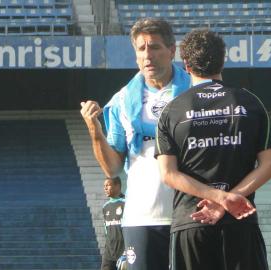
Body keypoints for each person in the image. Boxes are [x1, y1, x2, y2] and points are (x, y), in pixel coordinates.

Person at [155, 28, 271, 270]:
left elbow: (168, 174)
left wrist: (217, 198)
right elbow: (269, 165)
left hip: (192, 223)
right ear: (224, 60)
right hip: (240, 220)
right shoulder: (251, 102)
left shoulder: (172, 110)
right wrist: (227, 200)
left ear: (186, 65)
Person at [80, 18, 191, 270]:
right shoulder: (121, 100)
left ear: (172, 51)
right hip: (141, 216)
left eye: (154, 47)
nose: (147, 55)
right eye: (141, 49)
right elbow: (112, 168)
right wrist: (94, 130)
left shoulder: (193, 94)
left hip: (189, 214)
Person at [101, 176, 125, 270]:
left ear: (117, 186)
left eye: (108, 185)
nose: (105, 188)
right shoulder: (105, 206)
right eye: (104, 186)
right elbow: (106, 230)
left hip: (124, 250)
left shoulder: (126, 203)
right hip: (109, 251)